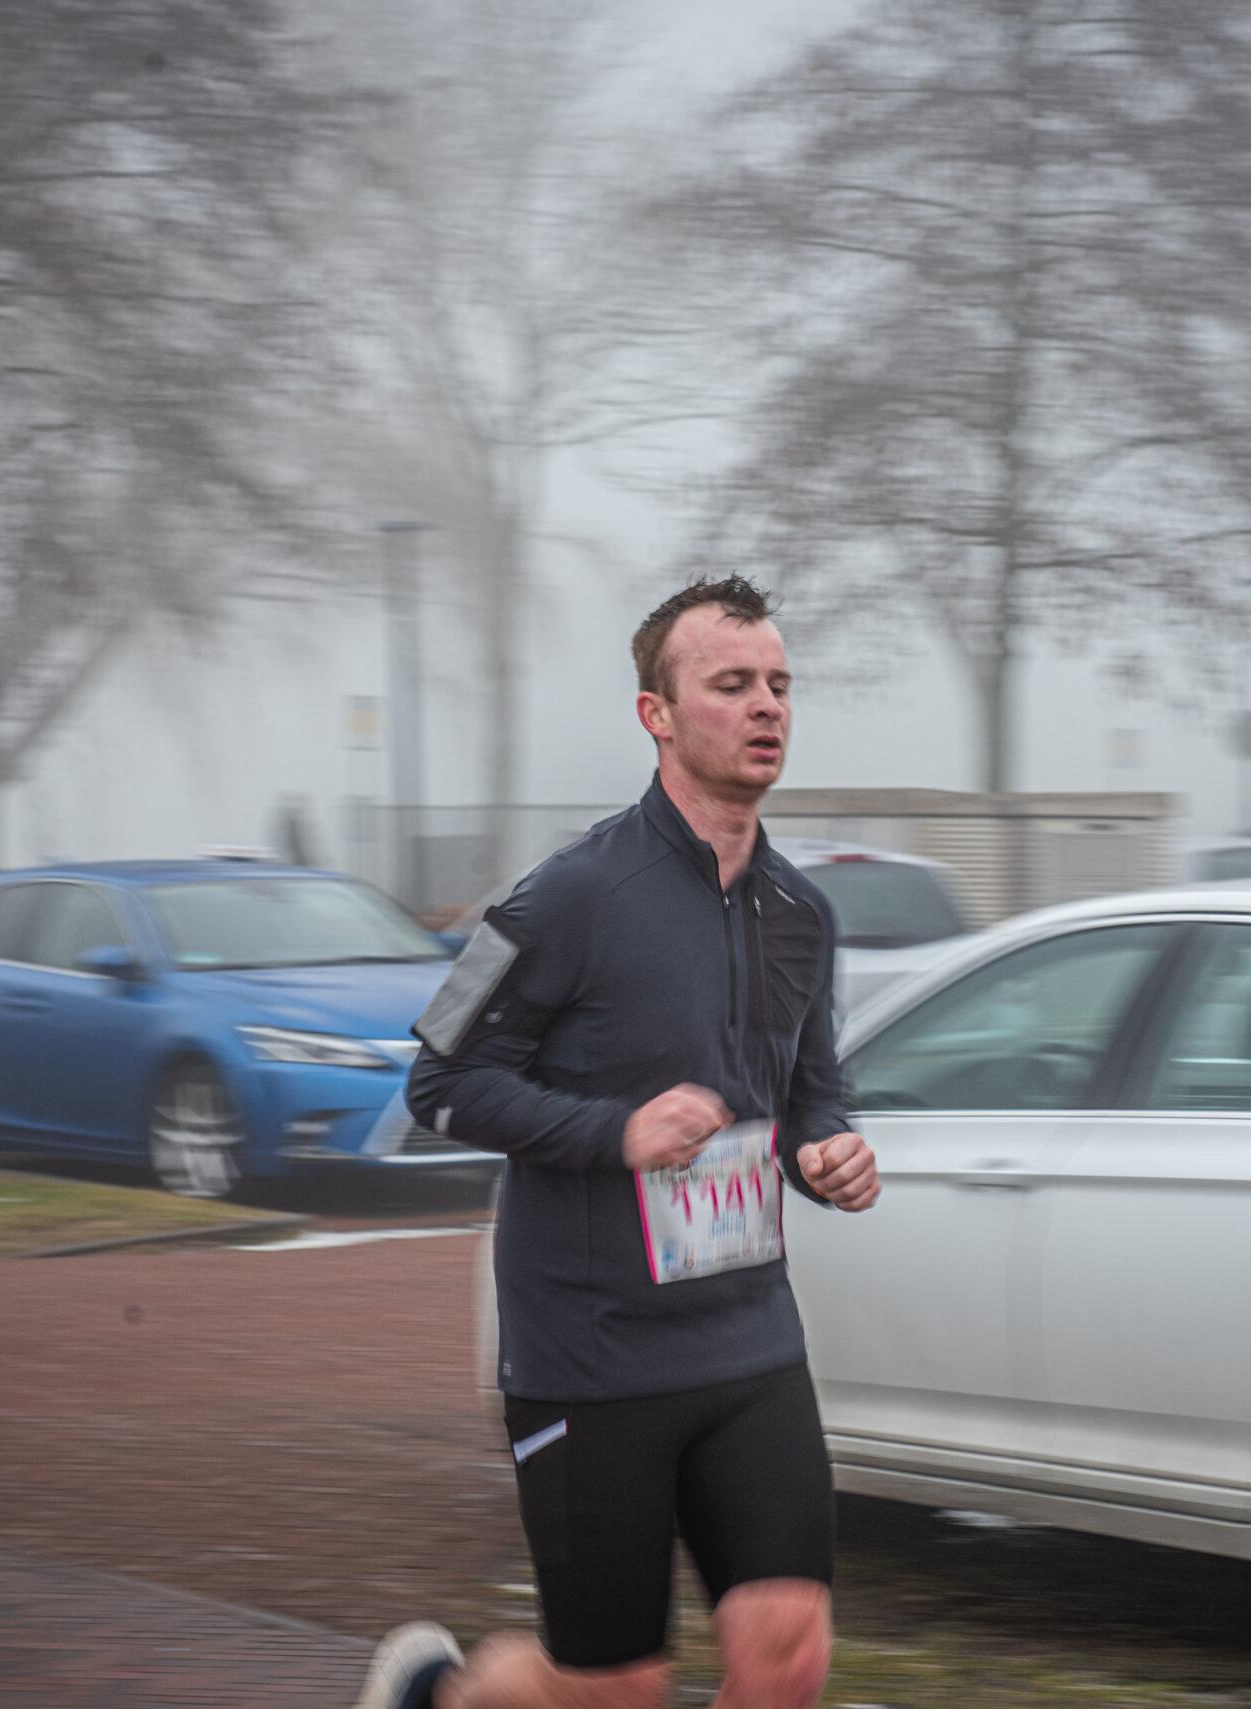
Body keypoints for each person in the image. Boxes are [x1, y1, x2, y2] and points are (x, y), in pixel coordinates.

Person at [360, 576, 881, 1709]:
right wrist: (617, 1131)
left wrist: (829, 1151)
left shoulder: (802, 913)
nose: (766, 706)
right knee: (615, 1689)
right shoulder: (569, 895)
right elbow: (439, 1083)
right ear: (657, 713)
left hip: (748, 1338)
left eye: (779, 683)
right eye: (731, 683)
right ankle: (437, 1690)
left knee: (789, 1653)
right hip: (590, 1352)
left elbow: (809, 1093)